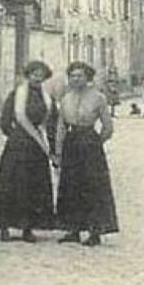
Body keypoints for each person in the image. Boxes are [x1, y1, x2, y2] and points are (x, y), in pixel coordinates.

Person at [0, 60, 57, 242]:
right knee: (11, 184)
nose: (37, 78)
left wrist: (52, 147)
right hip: (18, 145)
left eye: (41, 75)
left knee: (33, 187)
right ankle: (4, 226)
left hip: (36, 147)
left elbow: (51, 122)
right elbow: (5, 120)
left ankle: (27, 228)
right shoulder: (16, 94)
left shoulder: (47, 98)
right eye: (34, 74)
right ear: (28, 76)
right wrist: (14, 135)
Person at [56, 60, 119, 246]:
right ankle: (73, 229)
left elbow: (108, 127)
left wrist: (96, 143)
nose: (76, 79)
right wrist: (58, 151)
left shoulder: (98, 98)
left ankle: (94, 232)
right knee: (70, 186)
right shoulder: (66, 98)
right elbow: (61, 126)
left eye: (80, 76)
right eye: (72, 76)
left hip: (89, 143)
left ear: (88, 77)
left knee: (93, 187)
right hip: (71, 143)